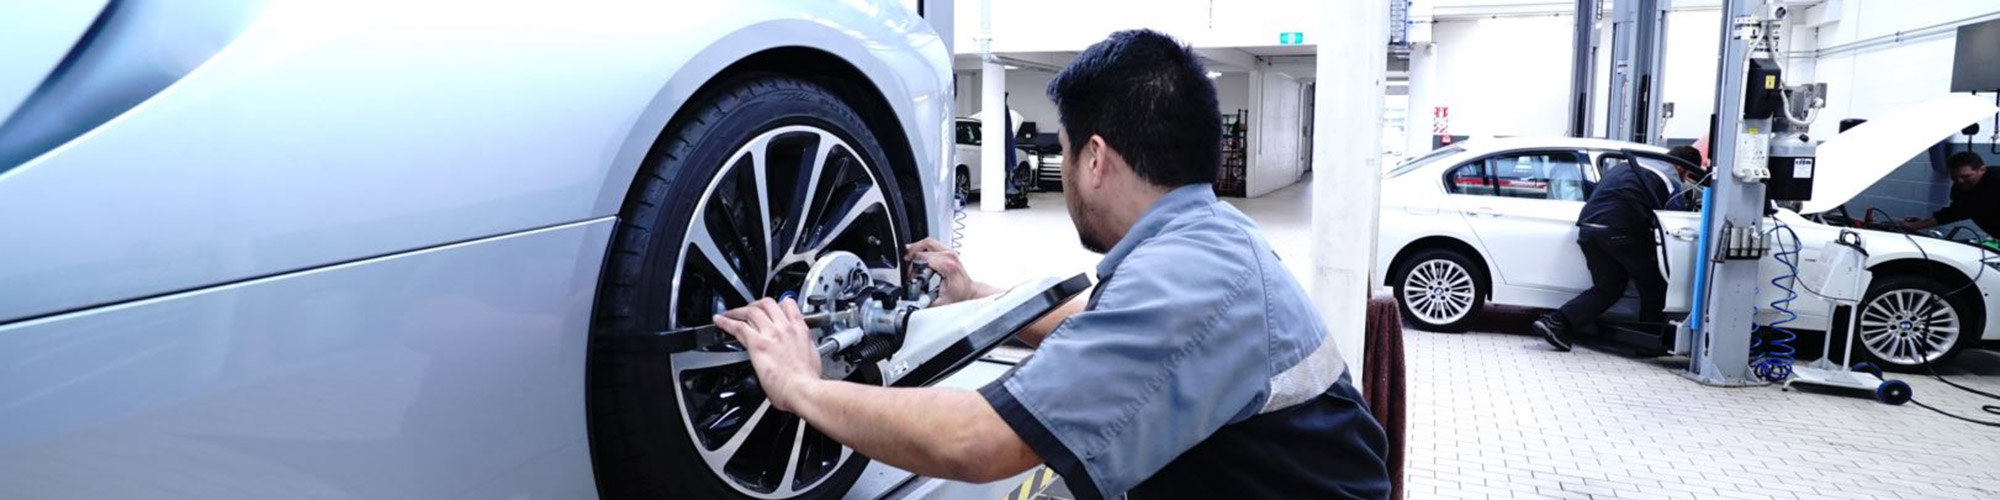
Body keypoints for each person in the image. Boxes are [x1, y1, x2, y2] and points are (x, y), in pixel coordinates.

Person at [709, 29, 1390, 500]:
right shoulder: (1208, 238)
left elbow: (979, 442)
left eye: (1062, 151)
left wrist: (798, 386)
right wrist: (976, 296)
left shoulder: (1192, 280)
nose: (1060, 172)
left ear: (1094, 159)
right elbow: (1106, 327)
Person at [1534, 148, 1703, 352]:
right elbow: (1675, 215)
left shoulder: (1626, 166)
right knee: (1654, 286)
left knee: (1608, 287)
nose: (1685, 179)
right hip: (1621, 232)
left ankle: (1557, 322)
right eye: (1687, 175)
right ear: (1681, 167)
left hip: (1589, 227)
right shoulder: (1668, 178)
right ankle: (1648, 343)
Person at [1903, 152, 1998, 236]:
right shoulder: (1960, 189)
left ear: (1982, 170)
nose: (1960, 181)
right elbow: (1952, 213)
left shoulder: (1996, 178)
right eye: (1954, 177)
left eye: (1966, 176)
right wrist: (1914, 226)